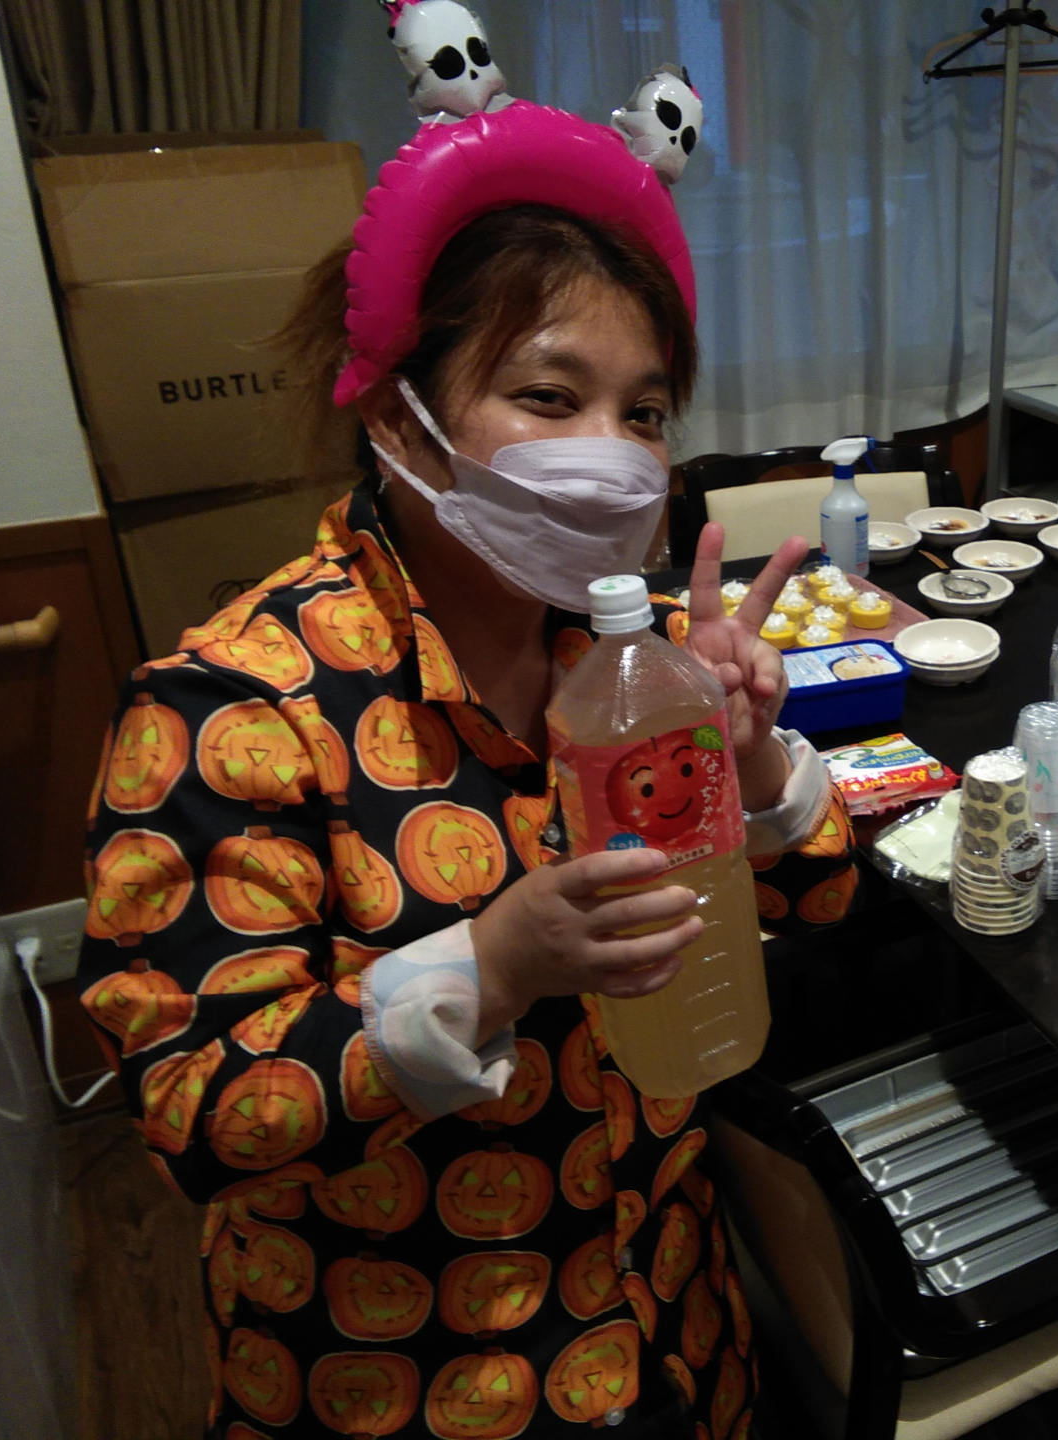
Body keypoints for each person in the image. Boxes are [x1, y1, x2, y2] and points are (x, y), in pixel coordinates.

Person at [76, 101, 853, 1440]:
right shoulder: (233, 709)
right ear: (400, 411)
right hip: (414, 1378)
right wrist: (492, 966)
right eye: (549, 397)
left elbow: (812, 902)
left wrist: (752, 759)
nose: (612, 454)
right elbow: (197, 1113)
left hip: (671, 1317)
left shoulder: (629, 653)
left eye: (644, 412)